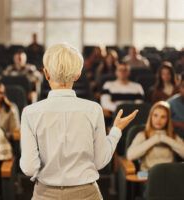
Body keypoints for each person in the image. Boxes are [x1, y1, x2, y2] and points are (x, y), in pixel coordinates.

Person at [20, 43, 138, 200]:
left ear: (46, 74)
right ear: (77, 74)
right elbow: (100, 161)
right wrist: (116, 131)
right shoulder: (94, 109)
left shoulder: (30, 113)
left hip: (45, 194)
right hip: (87, 193)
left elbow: (29, 168)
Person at [127, 101, 184, 171]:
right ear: (151, 117)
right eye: (155, 115)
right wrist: (155, 139)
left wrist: (164, 139)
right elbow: (130, 156)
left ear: (167, 120)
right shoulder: (143, 135)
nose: (158, 120)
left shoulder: (172, 136)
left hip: (169, 174)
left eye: (163, 117)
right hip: (148, 175)